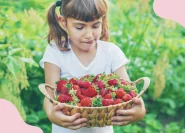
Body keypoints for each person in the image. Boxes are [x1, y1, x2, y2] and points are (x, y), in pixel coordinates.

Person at [40, 0, 146, 133]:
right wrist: (52, 115)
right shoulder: (55, 51)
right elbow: (50, 94)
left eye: (95, 26)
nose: (89, 35)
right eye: (80, 27)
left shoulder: (111, 52)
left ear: (103, 21)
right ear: (63, 22)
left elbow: (130, 92)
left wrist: (139, 112)